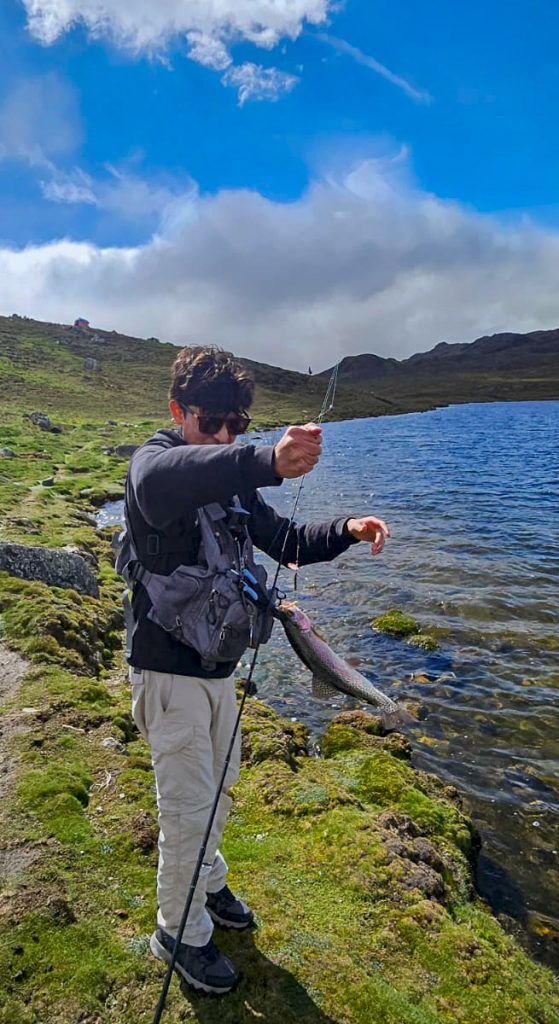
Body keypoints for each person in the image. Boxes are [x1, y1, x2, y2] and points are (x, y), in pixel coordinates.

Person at [124, 345, 390, 995]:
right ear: (177, 410)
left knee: (220, 790)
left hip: (219, 670)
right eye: (209, 421)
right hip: (169, 673)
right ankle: (177, 933)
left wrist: (349, 528)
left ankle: (208, 886)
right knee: (186, 806)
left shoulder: (235, 482)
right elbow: (170, 480)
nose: (222, 435)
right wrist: (265, 458)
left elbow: (289, 542)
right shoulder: (152, 466)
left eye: (236, 425)